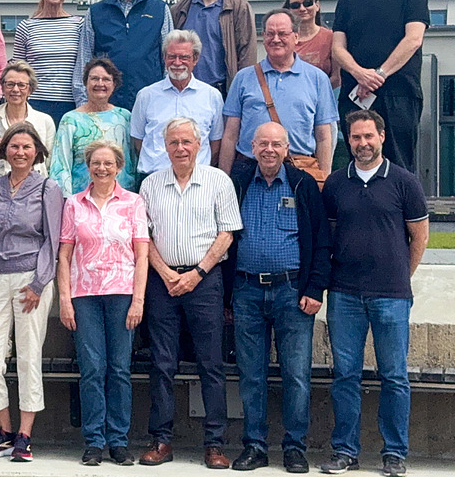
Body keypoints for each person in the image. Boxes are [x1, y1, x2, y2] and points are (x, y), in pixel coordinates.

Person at [319, 109, 428, 477]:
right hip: (345, 294)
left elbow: (420, 237)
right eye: (355, 137)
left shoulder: (404, 182)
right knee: (344, 375)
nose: (362, 143)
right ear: (347, 141)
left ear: (381, 136)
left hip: (391, 295)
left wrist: (400, 275)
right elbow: (330, 234)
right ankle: (345, 451)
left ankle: (394, 453)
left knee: (394, 375)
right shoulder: (336, 183)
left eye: (368, 136)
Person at [226, 123, 331, 474]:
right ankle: (254, 446)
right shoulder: (238, 183)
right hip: (246, 291)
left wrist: (315, 288)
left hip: (292, 293)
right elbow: (224, 235)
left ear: (288, 149)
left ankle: (294, 447)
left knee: (296, 374)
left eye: (276, 144)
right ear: (252, 147)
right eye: (263, 144)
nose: (269, 150)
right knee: (250, 374)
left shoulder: (302, 185)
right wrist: (228, 295)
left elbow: (321, 241)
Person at [138, 117, 242, 469]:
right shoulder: (151, 184)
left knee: (211, 364)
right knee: (161, 363)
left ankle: (214, 444)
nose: (180, 148)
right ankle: (161, 440)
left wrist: (197, 273)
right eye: (173, 143)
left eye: (186, 142)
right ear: (164, 147)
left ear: (199, 145)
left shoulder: (218, 181)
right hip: (162, 282)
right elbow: (143, 237)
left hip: (205, 281)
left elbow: (227, 233)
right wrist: (166, 272)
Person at [57, 141, 149, 466]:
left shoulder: (134, 203)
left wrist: (139, 300)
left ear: (119, 167)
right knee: (92, 369)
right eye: (96, 163)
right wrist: (65, 300)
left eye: (108, 163)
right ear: (88, 166)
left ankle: (119, 442)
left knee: (120, 369)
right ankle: (94, 441)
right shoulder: (73, 204)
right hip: (84, 295)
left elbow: (142, 256)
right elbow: (64, 255)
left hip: (122, 293)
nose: (102, 169)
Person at [0, 122, 62, 462]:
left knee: (28, 358)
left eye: (27, 147)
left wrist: (40, 283)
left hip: (31, 280)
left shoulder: (47, 188)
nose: (20, 152)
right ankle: (5, 430)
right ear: (4, 151)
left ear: (37, 151)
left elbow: (52, 240)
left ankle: (25, 435)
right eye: (14, 146)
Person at [332, 0, 429, 173]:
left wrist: (378, 75)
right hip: (356, 94)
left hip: (399, 93)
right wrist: (360, 74)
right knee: (359, 162)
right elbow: (338, 47)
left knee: (398, 165)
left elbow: (413, 39)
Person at [218, 10, 337, 176]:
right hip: (249, 169)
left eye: (282, 33)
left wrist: (324, 179)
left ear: (296, 36)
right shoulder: (243, 78)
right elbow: (230, 135)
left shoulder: (318, 79)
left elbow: (324, 137)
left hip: (299, 170)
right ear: (263, 36)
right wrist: (225, 179)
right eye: (270, 34)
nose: (275, 39)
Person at [73, 0, 173, 110]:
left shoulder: (159, 10)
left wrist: (167, 102)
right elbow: (84, 61)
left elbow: (168, 60)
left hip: (150, 105)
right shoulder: (96, 12)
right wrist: (83, 107)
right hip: (105, 107)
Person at [130, 30, 224, 176]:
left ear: (195, 59)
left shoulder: (212, 96)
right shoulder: (146, 96)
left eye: (184, 57)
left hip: (198, 179)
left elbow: (215, 143)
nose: (177, 62)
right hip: (153, 179)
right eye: (172, 57)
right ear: (164, 58)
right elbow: (137, 141)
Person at [169, 0, 258, 95]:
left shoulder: (238, 7)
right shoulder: (179, 11)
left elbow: (247, 56)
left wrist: (241, 95)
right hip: (186, 92)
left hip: (225, 92)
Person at [51, 59, 138, 195]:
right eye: (94, 79)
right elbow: (61, 165)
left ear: (114, 84)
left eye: (106, 79)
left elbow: (131, 162)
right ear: (85, 83)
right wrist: (65, 200)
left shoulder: (125, 117)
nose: (100, 84)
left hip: (120, 200)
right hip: (81, 200)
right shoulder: (71, 120)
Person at [12, 0, 85, 121]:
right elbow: (18, 69)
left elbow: (84, 66)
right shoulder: (26, 27)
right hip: (35, 104)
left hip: (70, 104)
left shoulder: (78, 25)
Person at [0, 62, 55, 176]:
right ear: (2, 87)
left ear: (30, 89)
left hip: (35, 187)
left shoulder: (45, 121)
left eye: (22, 85)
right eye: (10, 84)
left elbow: (50, 163)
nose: (15, 89)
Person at [284, 0, 340, 87]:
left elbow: (336, 78)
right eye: (295, 5)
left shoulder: (332, 38)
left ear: (317, 6)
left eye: (307, 3)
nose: (302, 8)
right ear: (289, 10)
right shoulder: (283, 39)